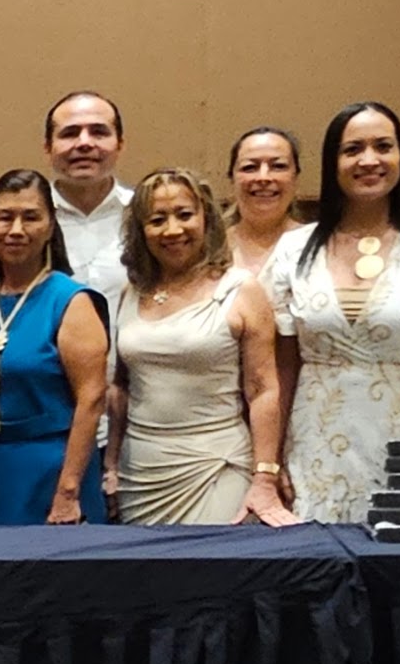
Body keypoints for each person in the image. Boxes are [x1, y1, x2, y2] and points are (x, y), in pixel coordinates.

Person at [266, 102, 400, 521]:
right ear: (333, 162)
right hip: (313, 438)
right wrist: (272, 460)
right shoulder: (294, 250)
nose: (369, 160)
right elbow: (283, 367)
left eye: (383, 146)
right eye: (353, 149)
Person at [108, 169, 298, 526]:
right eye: (157, 220)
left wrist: (265, 476)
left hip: (215, 466)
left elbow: (263, 390)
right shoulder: (130, 293)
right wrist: (111, 465)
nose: (173, 230)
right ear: (140, 230)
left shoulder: (241, 289)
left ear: (206, 218)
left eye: (184, 215)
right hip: (141, 472)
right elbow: (121, 386)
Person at [0, 169, 108, 526]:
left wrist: (68, 490)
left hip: (53, 471)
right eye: (5, 217)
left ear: (51, 226)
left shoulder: (70, 301)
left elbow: (92, 398)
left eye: (31, 217)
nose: (16, 229)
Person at [42, 91, 134, 313]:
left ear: (120, 145)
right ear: (48, 148)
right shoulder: (26, 222)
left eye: (99, 132)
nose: (84, 143)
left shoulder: (145, 214)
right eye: (70, 133)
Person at [224, 127, 306, 282]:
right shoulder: (208, 250)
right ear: (232, 179)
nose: (264, 177)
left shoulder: (319, 246)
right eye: (250, 167)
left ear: (295, 177)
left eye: (278, 166)